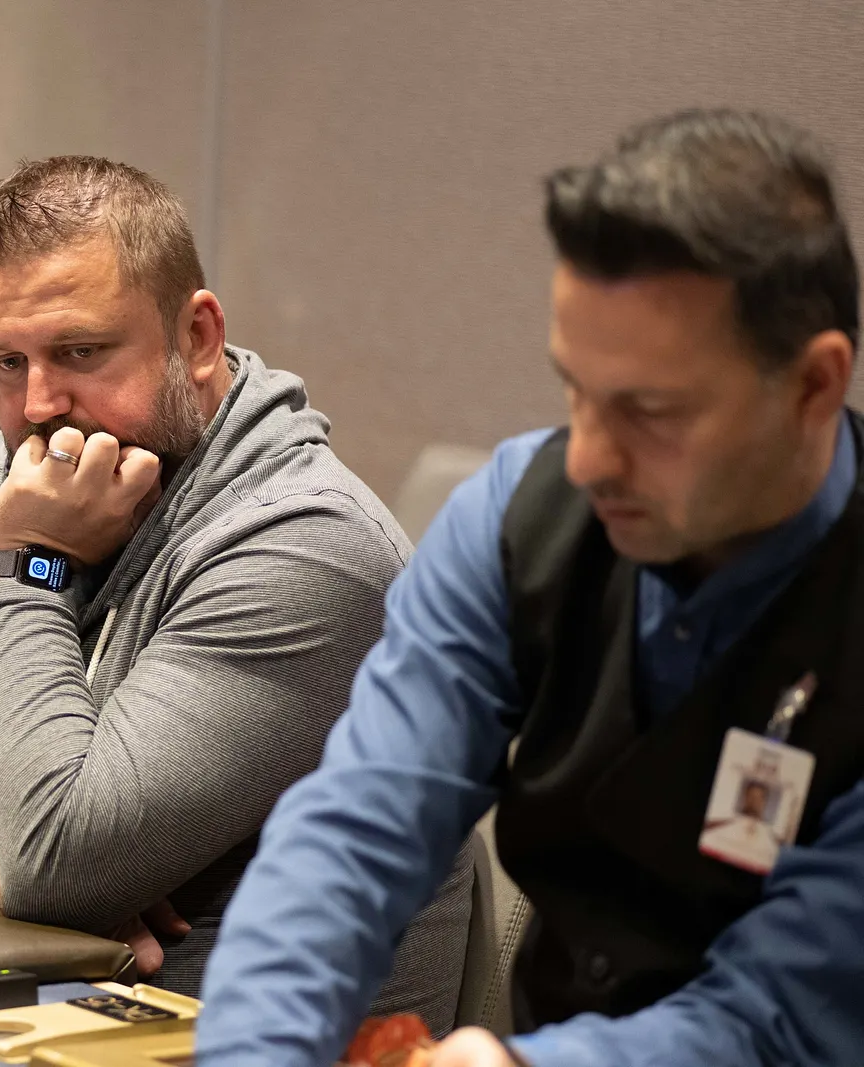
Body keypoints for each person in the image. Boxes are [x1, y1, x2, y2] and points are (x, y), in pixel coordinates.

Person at [0, 156, 473, 1018]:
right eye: (7, 362)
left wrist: (27, 562)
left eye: (79, 352)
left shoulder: (309, 548)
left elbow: (58, 869)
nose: (40, 403)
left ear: (198, 338)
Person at [197, 109, 864, 1067]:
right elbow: (355, 834)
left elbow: (786, 1016)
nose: (587, 459)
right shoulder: (519, 515)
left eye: (649, 410)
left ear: (813, 386)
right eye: (574, 391)